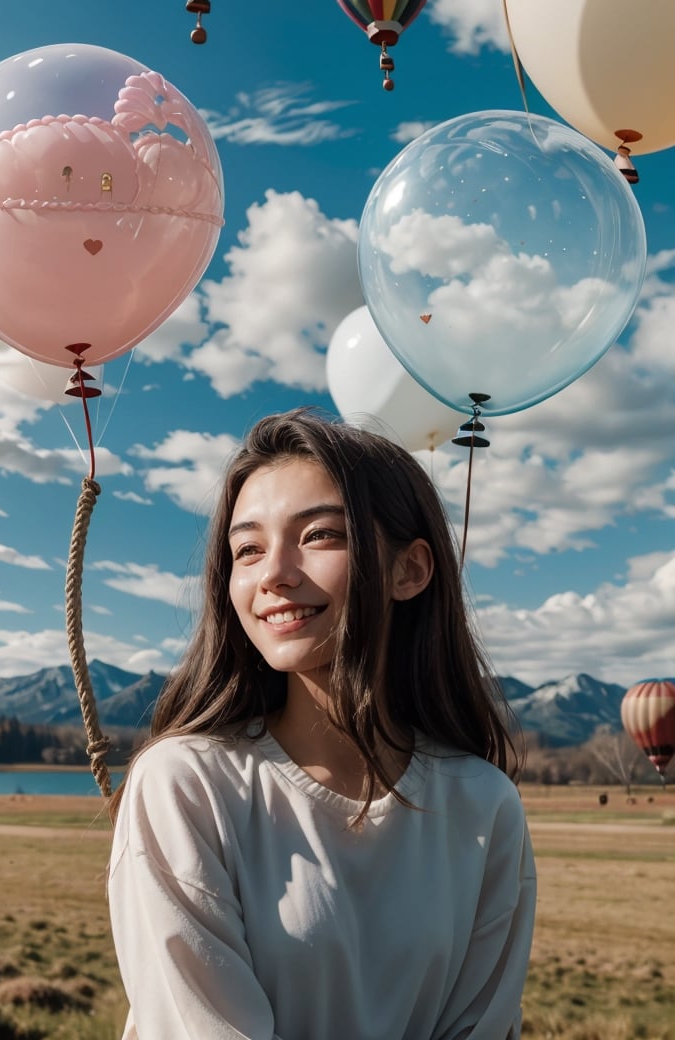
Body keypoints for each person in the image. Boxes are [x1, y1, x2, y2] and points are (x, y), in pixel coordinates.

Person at [108, 409, 536, 1040]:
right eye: (247, 549)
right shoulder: (185, 785)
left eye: (319, 536)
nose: (274, 574)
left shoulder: (484, 806)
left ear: (409, 570)